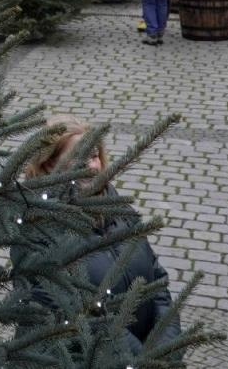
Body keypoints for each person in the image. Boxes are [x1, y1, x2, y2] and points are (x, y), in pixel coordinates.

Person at [18, 116, 182, 358]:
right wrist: (145, 360)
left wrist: (168, 345)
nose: (93, 166)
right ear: (49, 166)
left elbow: (156, 279)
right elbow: (83, 317)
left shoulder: (117, 207)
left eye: (94, 155)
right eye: (80, 157)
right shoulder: (40, 229)